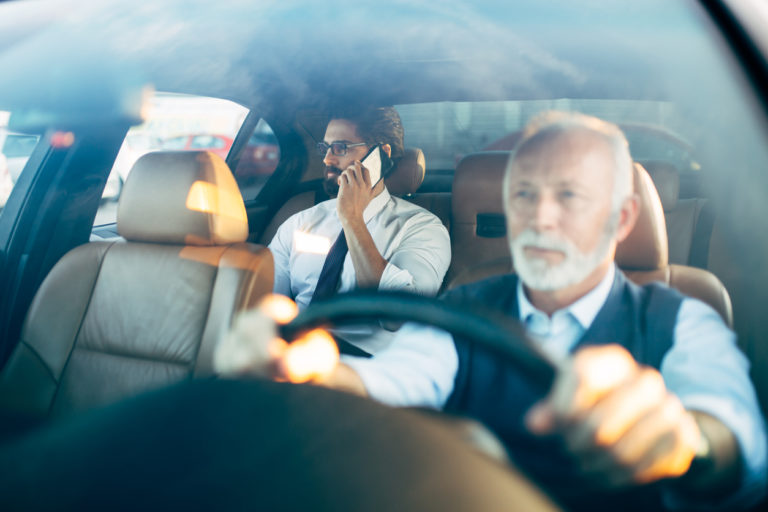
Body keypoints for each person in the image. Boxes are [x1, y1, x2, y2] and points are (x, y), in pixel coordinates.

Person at [221, 112, 766, 510]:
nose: (541, 217)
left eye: (569, 196)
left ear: (622, 220)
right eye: (524, 195)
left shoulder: (684, 316)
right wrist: (318, 376)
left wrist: (686, 439)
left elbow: (736, 437)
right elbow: (399, 374)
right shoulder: (466, 311)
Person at [267, 106, 451, 355]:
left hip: (365, 366)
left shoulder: (421, 227)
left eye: (341, 147)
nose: (327, 159)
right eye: (325, 148)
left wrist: (352, 219)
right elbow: (265, 302)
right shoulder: (300, 221)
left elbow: (399, 317)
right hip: (292, 356)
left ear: (382, 154)